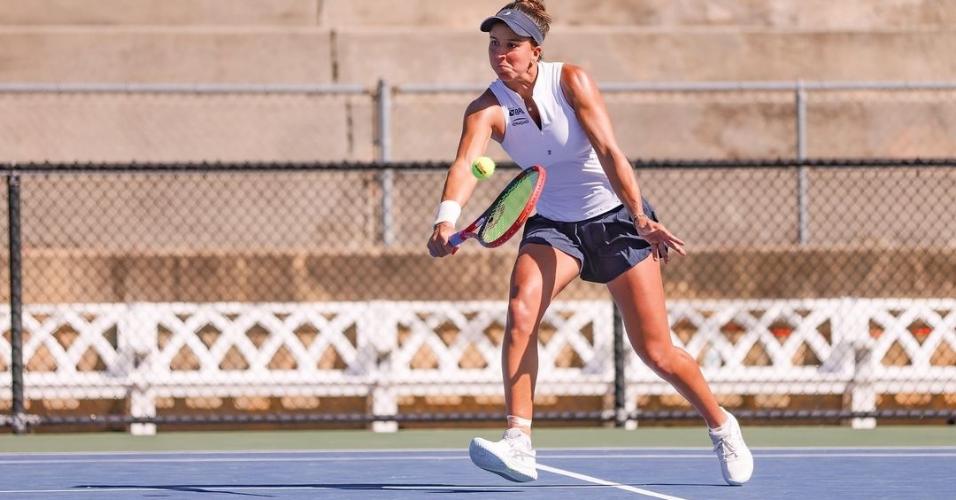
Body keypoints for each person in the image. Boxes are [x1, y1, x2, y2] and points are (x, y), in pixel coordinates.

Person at [426, 0, 753, 486]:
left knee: (656, 351)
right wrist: (445, 220)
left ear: (536, 51)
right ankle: (518, 441)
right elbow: (464, 166)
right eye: (494, 44)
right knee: (521, 311)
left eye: (511, 45)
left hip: (615, 217)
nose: (500, 54)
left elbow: (609, 151)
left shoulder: (570, 81)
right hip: (553, 225)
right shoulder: (486, 109)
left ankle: (722, 426)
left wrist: (640, 217)